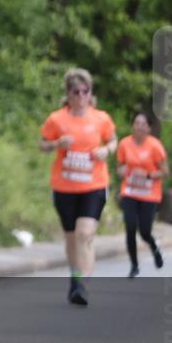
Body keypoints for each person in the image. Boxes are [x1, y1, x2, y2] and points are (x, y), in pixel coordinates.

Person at [39, 68, 118, 306]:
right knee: (72, 237)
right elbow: (41, 144)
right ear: (68, 93)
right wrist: (55, 144)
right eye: (77, 91)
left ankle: (82, 284)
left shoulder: (101, 118)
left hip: (94, 185)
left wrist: (106, 150)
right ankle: (74, 278)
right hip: (64, 186)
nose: (82, 95)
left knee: (85, 233)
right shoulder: (57, 119)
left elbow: (113, 140)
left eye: (86, 91)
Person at [117, 111, 168, 278]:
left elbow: (165, 171)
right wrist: (122, 171)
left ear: (149, 128)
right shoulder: (124, 144)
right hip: (130, 192)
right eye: (136, 123)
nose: (139, 127)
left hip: (149, 194)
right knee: (130, 227)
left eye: (143, 124)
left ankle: (155, 248)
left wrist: (146, 175)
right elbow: (120, 168)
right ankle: (134, 264)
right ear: (133, 126)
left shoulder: (155, 146)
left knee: (145, 231)